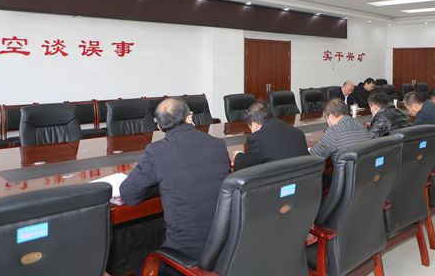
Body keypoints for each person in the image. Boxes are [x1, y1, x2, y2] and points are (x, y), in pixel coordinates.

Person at [120, 98, 230, 267]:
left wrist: (158, 185)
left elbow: (129, 194)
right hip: (225, 247)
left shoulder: (157, 151)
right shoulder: (218, 145)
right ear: (190, 117)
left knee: (139, 260)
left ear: (159, 127)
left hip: (186, 255)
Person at [233, 100, 309, 171]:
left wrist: (237, 156)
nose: (252, 132)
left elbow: (243, 168)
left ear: (254, 124)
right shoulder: (298, 133)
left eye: (250, 128)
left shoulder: (257, 139)